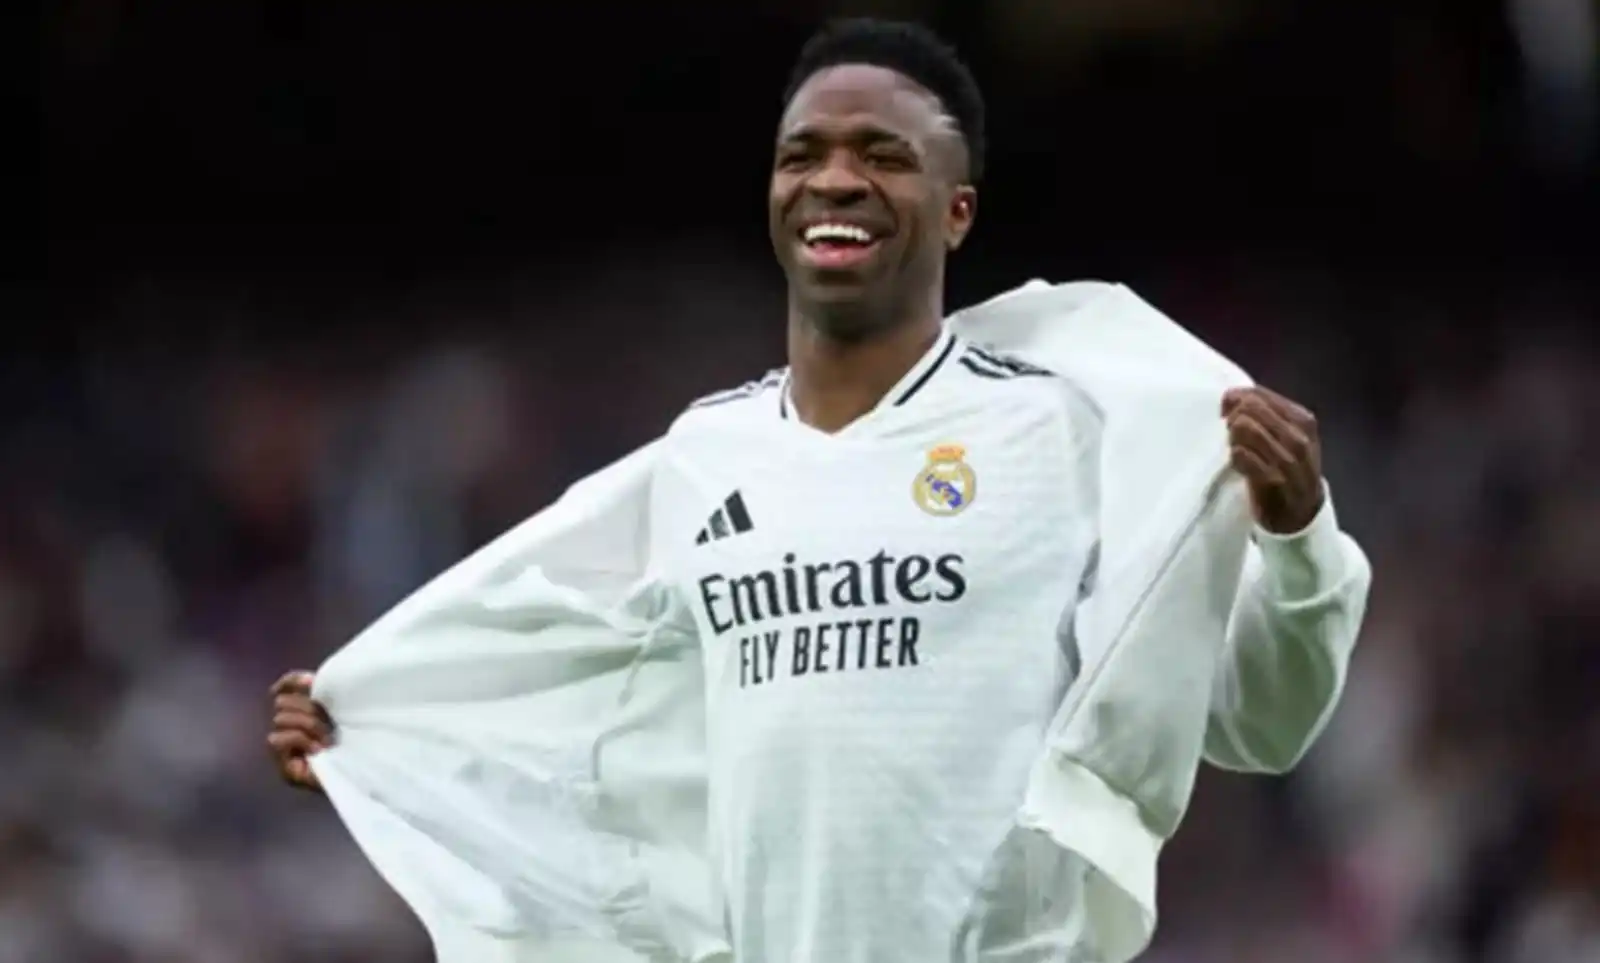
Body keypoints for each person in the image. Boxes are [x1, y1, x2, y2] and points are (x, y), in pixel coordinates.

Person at [269, 18, 1370, 962]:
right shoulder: (703, 457)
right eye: (803, 154)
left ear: (957, 211)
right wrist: (379, 736)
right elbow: (568, 689)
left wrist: (1296, 543)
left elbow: (1258, 722)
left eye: (884, 155)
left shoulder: (1064, 434)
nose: (835, 180)